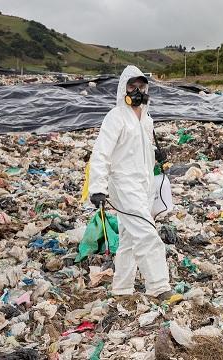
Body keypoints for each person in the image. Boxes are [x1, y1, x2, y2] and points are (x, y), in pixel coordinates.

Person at [88, 65, 176, 303]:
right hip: (123, 184)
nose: (137, 91)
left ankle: (122, 289)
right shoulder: (115, 117)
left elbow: (141, 146)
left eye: (141, 86)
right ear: (123, 88)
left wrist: (156, 154)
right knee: (147, 233)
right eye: (132, 86)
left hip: (144, 184)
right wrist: (97, 187)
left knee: (129, 238)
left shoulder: (146, 119)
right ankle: (159, 287)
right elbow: (101, 153)